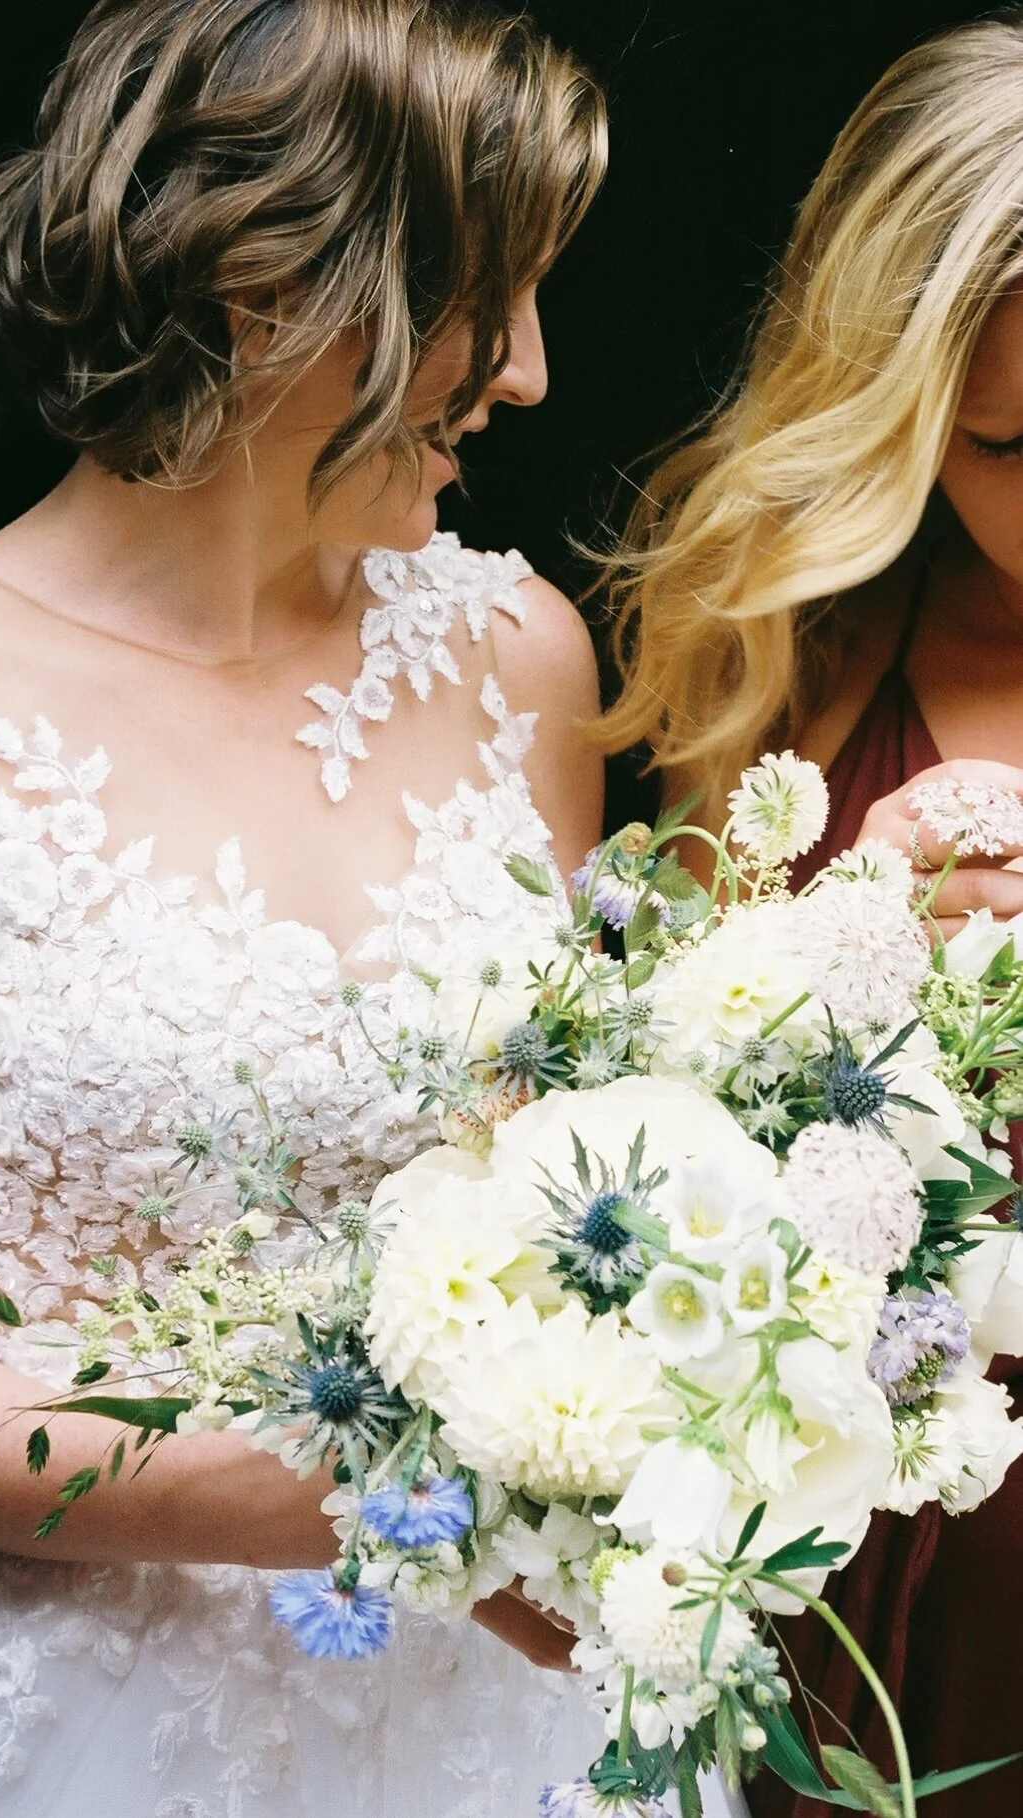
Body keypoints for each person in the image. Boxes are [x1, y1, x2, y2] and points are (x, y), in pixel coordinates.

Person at [0, 3, 619, 1812]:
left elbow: (569, 1181)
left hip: (502, 1712)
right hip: (76, 1709)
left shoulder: (520, 659)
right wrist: (345, 1498)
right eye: (489, 299)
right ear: (274, 289)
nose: (532, 372)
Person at [597, 12, 1023, 1816]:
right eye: (1010, 444)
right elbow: (650, 1123)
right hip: (870, 1545)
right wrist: (839, 944)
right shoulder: (807, 661)